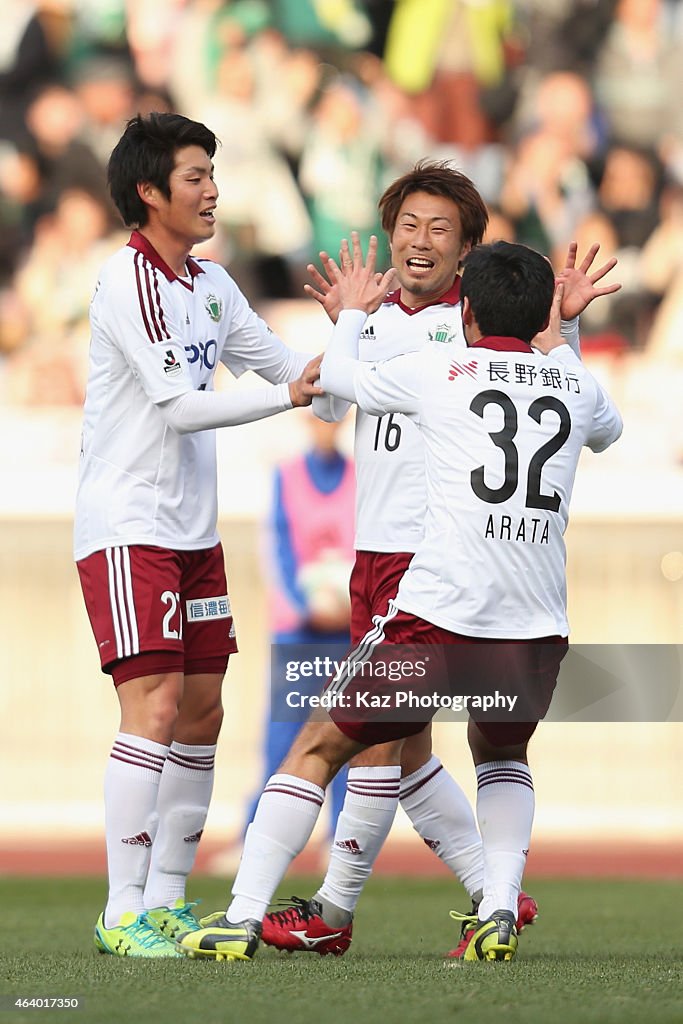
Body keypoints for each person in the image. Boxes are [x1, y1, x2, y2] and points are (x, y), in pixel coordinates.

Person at [176, 235, 622, 964]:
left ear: (467, 308)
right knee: (500, 755)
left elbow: (340, 379)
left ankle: (241, 917)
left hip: (438, 617)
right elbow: (607, 429)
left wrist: (350, 312)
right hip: (538, 626)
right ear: (542, 311)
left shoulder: (440, 370)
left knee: (319, 743)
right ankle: (498, 907)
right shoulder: (575, 385)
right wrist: (564, 332)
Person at [74, 111, 322, 958]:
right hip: (128, 528)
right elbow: (183, 409)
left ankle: (168, 899)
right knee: (153, 707)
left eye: (213, 171)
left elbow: (297, 372)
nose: (213, 187)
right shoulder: (125, 282)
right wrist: (290, 399)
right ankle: (119, 913)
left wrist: (369, 327)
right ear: (149, 193)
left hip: (192, 532)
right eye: (194, 175)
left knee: (203, 711)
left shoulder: (212, 285)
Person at [243, 414, 355, 838]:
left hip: (346, 629)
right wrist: (304, 604)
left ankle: (340, 842)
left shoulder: (360, 478)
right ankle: (255, 836)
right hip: (299, 629)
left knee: (344, 736)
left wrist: (350, 606)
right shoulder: (286, 477)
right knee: (282, 739)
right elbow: (278, 548)